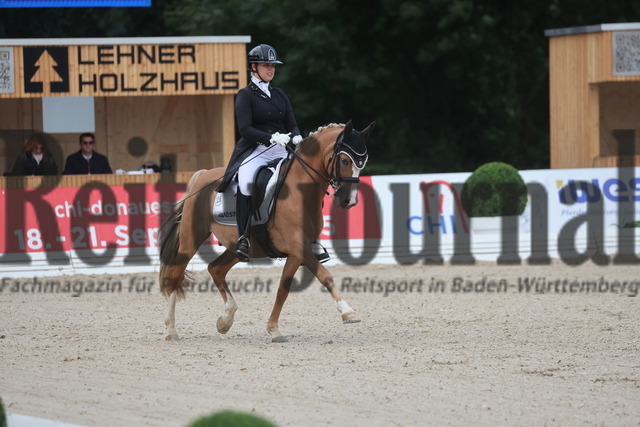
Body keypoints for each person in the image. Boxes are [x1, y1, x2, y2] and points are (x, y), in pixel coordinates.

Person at [217, 43, 329, 263]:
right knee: (246, 181)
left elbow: (291, 123)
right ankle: (243, 238)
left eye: (273, 66)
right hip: (256, 150)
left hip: (282, 149)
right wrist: (270, 138)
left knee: (307, 180)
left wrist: (296, 136)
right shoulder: (245, 95)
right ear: (254, 67)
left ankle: (312, 238)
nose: (271, 69)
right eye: (266, 65)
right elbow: (245, 129)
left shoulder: (279, 94)